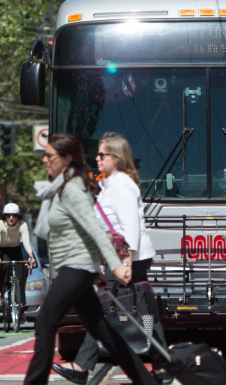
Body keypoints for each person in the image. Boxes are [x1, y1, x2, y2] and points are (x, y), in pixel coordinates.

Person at [25, 133, 156, 385]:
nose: (44, 160)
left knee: (45, 322)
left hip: (78, 266)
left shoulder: (73, 188)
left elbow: (94, 229)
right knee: (103, 331)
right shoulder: (62, 186)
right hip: (76, 266)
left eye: (50, 156)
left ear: (67, 159)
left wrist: (118, 265)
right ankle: (146, 381)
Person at [0, 203, 37, 310]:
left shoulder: (22, 225)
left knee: (20, 274)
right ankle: (1, 295)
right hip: (2, 250)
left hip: (16, 250)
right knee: (3, 269)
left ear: (18, 216)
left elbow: (26, 242)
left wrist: (31, 255)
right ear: (5, 216)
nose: (11, 218)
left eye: (14, 215)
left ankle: (21, 305)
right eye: (8, 215)